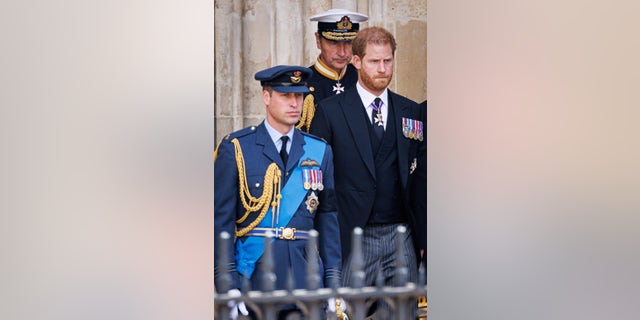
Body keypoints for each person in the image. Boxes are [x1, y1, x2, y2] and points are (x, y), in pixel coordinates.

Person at [309, 26, 427, 318]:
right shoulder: (329, 111)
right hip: (351, 237)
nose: (383, 68)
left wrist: (424, 240)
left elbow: (421, 184)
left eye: (388, 61)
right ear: (357, 62)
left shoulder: (410, 111)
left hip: (401, 238)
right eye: (374, 61)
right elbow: (316, 182)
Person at [214, 65, 344, 319]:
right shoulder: (238, 148)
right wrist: (227, 282)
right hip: (254, 278)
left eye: (299, 95)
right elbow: (222, 223)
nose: (295, 103)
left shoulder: (319, 151)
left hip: (305, 280)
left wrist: (333, 282)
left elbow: (328, 220)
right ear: (266, 96)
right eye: (286, 95)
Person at [296, 8, 368, 132]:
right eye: (334, 43)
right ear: (318, 40)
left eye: (349, 43)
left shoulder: (363, 77)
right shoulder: (302, 83)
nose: (342, 52)